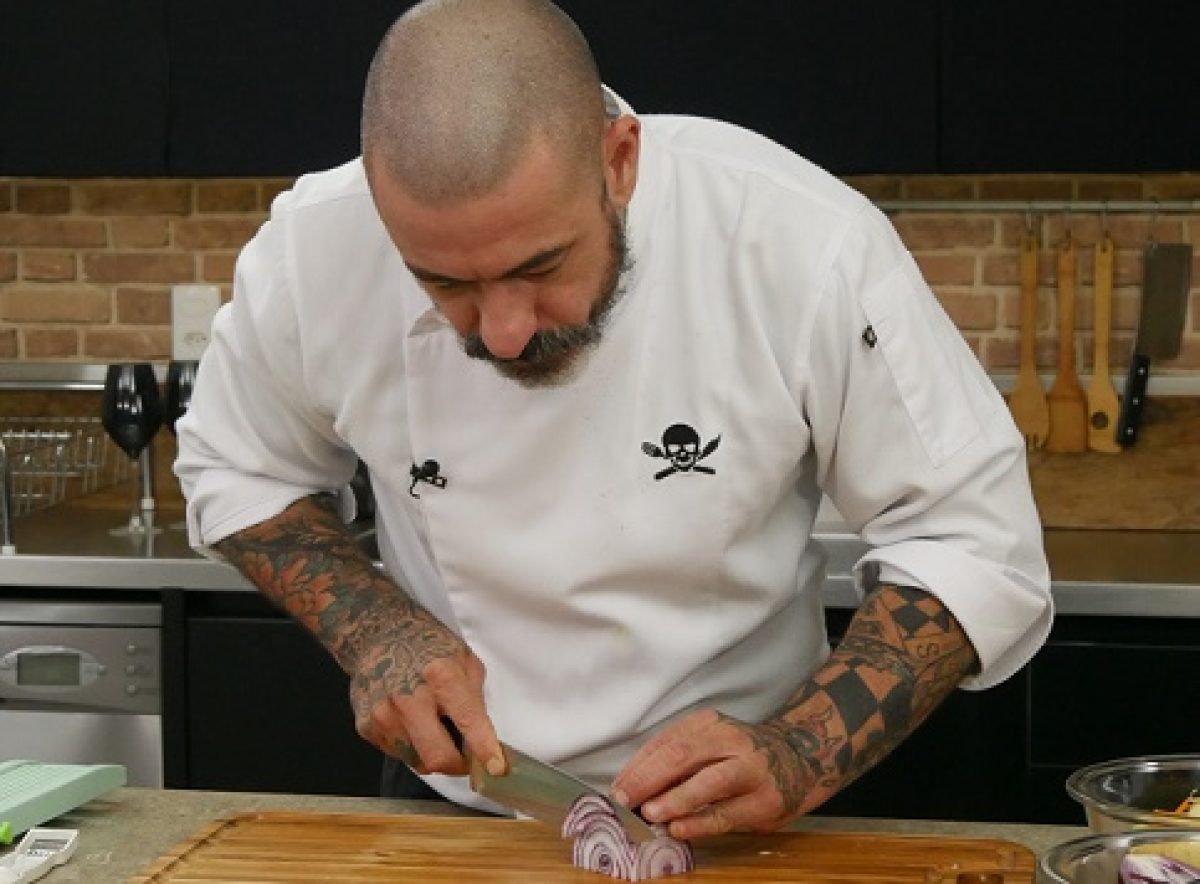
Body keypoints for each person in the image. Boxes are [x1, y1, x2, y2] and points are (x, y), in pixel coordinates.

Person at [174, 0, 1052, 840]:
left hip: (758, 801)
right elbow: (238, 466)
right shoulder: (315, 249)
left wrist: (801, 749)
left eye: (540, 266)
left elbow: (971, 539)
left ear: (620, 160)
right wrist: (375, 628)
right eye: (444, 283)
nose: (504, 332)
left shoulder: (798, 241)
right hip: (459, 805)